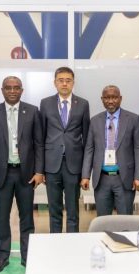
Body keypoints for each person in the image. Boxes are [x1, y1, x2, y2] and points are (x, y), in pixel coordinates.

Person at [0, 76, 44, 272]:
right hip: (2, 174)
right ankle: (2, 256)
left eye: (16, 88)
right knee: (2, 218)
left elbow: (38, 144)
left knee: (27, 218)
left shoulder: (33, 111)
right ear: (2, 90)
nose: (12, 91)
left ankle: (28, 257)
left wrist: (39, 171)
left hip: (26, 174)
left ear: (22, 90)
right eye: (8, 88)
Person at [80, 85, 139, 215]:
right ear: (102, 99)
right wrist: (85, 175)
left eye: (114, 97)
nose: (110, 101)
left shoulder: (133, 119)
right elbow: (89, 149)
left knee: (125, 221)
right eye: (107, 98)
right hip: (101, 179)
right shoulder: (95, 121)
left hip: (124, 178)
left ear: (120, 99)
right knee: (103, 221)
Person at [40, 66, 90, 233]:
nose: (64, 83)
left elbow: (87, 138)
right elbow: (41, 137)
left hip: (73, 166)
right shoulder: (45, 103)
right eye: (60, 80)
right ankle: (56, 247)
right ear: (55, 83)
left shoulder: (83, 104)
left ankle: (72, 247)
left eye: (68, 80)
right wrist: (40, 170)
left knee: (73, 211)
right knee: (54, 211)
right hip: (52, 165)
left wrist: (85, 173)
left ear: (73, 83)